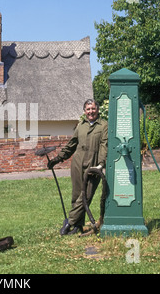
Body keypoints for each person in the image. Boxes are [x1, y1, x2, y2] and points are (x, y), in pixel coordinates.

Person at [48, 99, 108, 235]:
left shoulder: (103, 125)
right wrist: (58, 158)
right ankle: (78, 226)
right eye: (88, 109)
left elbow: (104, 145)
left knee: (86, 196)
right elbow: (72, 144)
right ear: (84, 111)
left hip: (93, 165)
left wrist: (100, 164)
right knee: (76, 195)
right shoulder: (81, 125)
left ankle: (69, 222)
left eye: (93, 108)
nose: (91, 111)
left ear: (97, 109)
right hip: (77, 163)